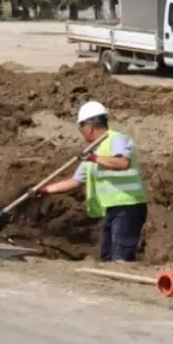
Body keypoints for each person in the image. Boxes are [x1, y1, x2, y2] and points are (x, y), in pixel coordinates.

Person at [35, 101, 149, 262]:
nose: (81, 132)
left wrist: (93, 158)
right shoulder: (94, 151)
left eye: (81, 127)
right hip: (112, 209)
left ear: (89, 125)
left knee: (120, 257)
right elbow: (75, 181)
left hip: (128, 207)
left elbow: (123, 163)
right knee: (107, 256)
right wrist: (44, 190)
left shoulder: (116, 139)